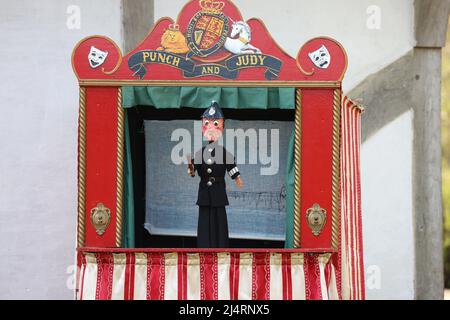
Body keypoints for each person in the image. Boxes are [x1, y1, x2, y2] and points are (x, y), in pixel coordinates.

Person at [187, 101, 243, 248]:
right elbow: (193, 171)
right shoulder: (200, 153)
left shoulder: (223, 152)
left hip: (218, 189)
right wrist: (191, 169)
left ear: (220, 127)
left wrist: (237, 177)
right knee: (205, 219)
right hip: (205, 190)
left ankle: (221, 245)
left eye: (215, 124)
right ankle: (204, 246)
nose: (211, 129)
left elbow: (231, 165)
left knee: (219, 218)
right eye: (208, 124)